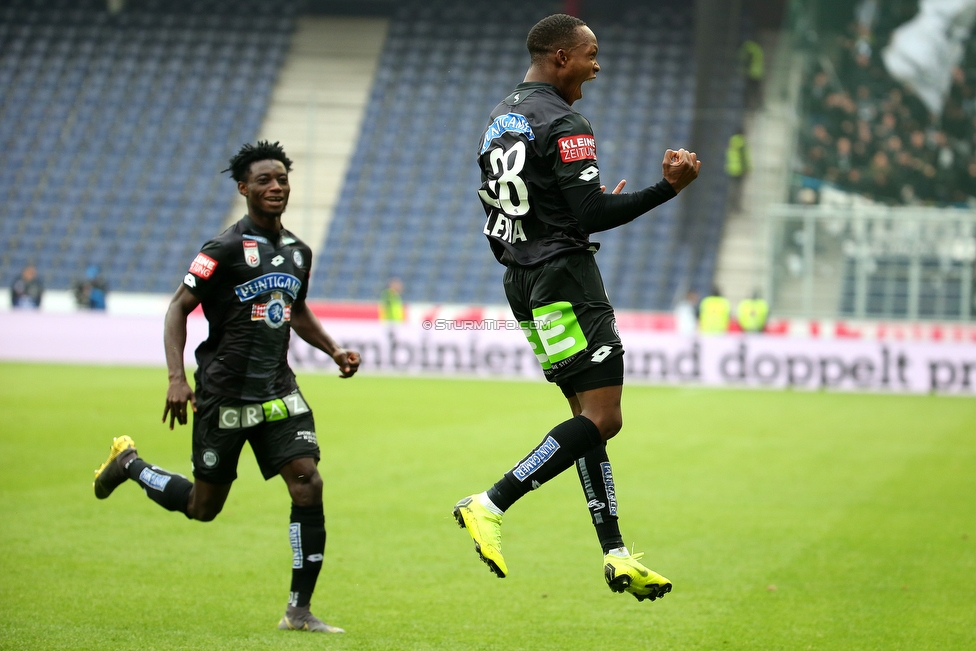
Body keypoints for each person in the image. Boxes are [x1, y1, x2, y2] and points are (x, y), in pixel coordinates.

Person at [454, 14, 700, 603]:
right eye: (591, 54)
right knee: (605, 417)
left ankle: (616, 553)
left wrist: (571, 216)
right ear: (560, 56)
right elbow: (591, 215)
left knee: (585, 418)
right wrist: (669, 187)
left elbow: (536, 202)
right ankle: (489, 503)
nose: (597, 65)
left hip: (524, 278)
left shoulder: (501, 117)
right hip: (566, 277)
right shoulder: (566, 121)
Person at [92, 141, 360, 634]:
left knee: (308, 481)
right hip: (224, 394)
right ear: (244, 189)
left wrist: (334, 350)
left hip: (279, 391)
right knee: (203, 507)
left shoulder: (299, 251)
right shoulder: (223, 249)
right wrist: (176, 379)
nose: (275, 186)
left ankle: (298, 611)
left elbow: (295, 310)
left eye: (281, 178)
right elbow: (177, 307)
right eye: (264, 180)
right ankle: (128, 464)